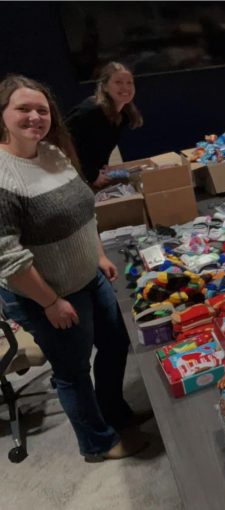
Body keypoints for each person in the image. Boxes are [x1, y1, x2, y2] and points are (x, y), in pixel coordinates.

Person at [0, 74, 150, 462]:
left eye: (42, 109)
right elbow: (7, 259)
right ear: (3, 114)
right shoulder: (2, 175)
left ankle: (115, 411)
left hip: (89, 276)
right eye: (23, 108)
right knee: (73, 372)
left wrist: (98, 255)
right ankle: (97, 442)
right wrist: (50, 302)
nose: (35, 116)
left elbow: (83, 212)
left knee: (117, 344)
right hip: (49, 295)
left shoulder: (53, 152)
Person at [66, 61, 143, 189]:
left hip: (94, 174)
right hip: (71, 177)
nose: (126, 87)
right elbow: (67, 145)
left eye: (129, 82)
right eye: (118, 82)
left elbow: (96, 146)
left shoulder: (124, 114)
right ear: (105, 86)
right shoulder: (91, 111)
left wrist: (102, 168)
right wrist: (92, 174)